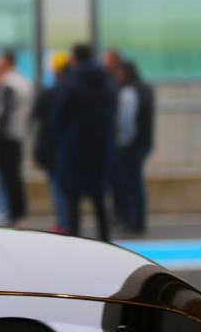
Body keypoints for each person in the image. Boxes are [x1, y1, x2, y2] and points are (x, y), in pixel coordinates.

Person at [53, 43, 116, 241]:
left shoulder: (71, 84)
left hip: (75, 150)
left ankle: (76, 242)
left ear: (75, 59)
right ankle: (106, 241)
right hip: (100, 149)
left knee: (73, 201)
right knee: (99, 200)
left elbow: (60, 118)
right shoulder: (107, 83)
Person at [0, 50, 32, 227]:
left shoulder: (10, 83)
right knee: (11, 176)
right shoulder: (22, 81)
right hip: (15, 135)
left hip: (7, 137)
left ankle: (15, 213)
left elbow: (2, 113)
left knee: (10, 177)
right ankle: (15, 213)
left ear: (7, 62)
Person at [111, 60, 154, 233]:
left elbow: (126, 121)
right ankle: (137, 219)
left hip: (131, 145)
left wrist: (122, 143)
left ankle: (134, 220)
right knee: (136, 183)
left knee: (131, 183)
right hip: (143, 142)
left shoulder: (129, 91)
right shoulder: (145, 88)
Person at [32, 51, 71, 233]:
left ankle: (64, 223)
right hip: (68, 148)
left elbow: (38, 115)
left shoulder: (51, 93)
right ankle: (67, 222)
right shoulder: (73, 91)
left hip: (53, 150)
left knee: (58, 188)